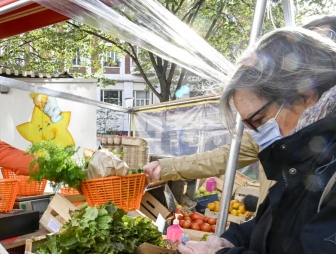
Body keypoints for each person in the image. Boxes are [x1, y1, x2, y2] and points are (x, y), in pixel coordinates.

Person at [179, 27, 336, 254]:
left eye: (257, 121)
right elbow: (275, 225)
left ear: (305, 94)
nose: (257, 135)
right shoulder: (305, 159)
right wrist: (229, 240)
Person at [143, 16, 336, 207]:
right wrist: (166, 167)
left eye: (260, 119)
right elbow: (222, 157)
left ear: (305, 95)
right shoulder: (277, 137)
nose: (260, 132)